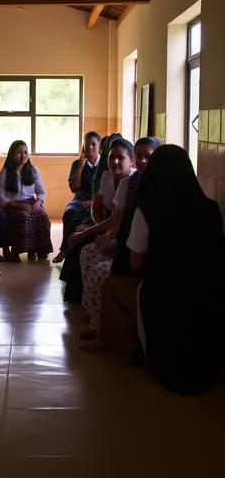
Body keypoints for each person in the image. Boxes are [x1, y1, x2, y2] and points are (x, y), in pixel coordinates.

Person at [126, 144, 225, 395]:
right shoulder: (211, 208)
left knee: (141, 295)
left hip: (163, 294)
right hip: (208, 294)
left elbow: (135, 264)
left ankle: (150, 354)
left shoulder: (146, 208)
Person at [79, 137, 160, 351]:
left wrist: (118, 244)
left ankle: (104, 332)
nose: (143, 161)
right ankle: (97, 320)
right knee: (87, 252)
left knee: (98, 271)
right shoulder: (130, 183)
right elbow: (119, 221)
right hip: (129, 243)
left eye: (148, 157)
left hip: (142, 255)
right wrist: (111, 238)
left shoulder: (161, 188)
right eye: (140, 156)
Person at [59, 137, 134, 304]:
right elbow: (96, 206)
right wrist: (92, 226)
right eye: (111, 157)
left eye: (121, 158)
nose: (115, 161)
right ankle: (79, 298)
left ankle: (85, 299)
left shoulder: (132, 183)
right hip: (103, 220)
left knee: (81, 244)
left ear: (131, 161)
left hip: (117, 228)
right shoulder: (106, 176)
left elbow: (118, 222)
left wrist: (104, 233)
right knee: (75, 232)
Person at [0, 140, 53, 262]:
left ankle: (39, 250)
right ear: (12, 154)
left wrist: (38, 202)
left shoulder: (34, 171)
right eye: (19, 152)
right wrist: (18, 206)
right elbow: (1, 197)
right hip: (12, 205)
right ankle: (18, 250)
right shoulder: (4, 173)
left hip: (31, 202)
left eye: (25, 152)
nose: (23, 156)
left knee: (42, 216)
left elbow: (41, 192)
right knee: (24, 217)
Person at [52, 132, 101, 263]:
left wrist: (93, 201)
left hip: (97, 199)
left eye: (93, 144)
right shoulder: (77, 163)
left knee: (88, 217)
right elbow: (74, 188)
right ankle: (64, 249)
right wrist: (80, 164)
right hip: (79, 198)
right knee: (70, 213)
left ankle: (75, 250)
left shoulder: (104, 164)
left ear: (99, 145)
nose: (90, 147)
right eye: (87, 144)